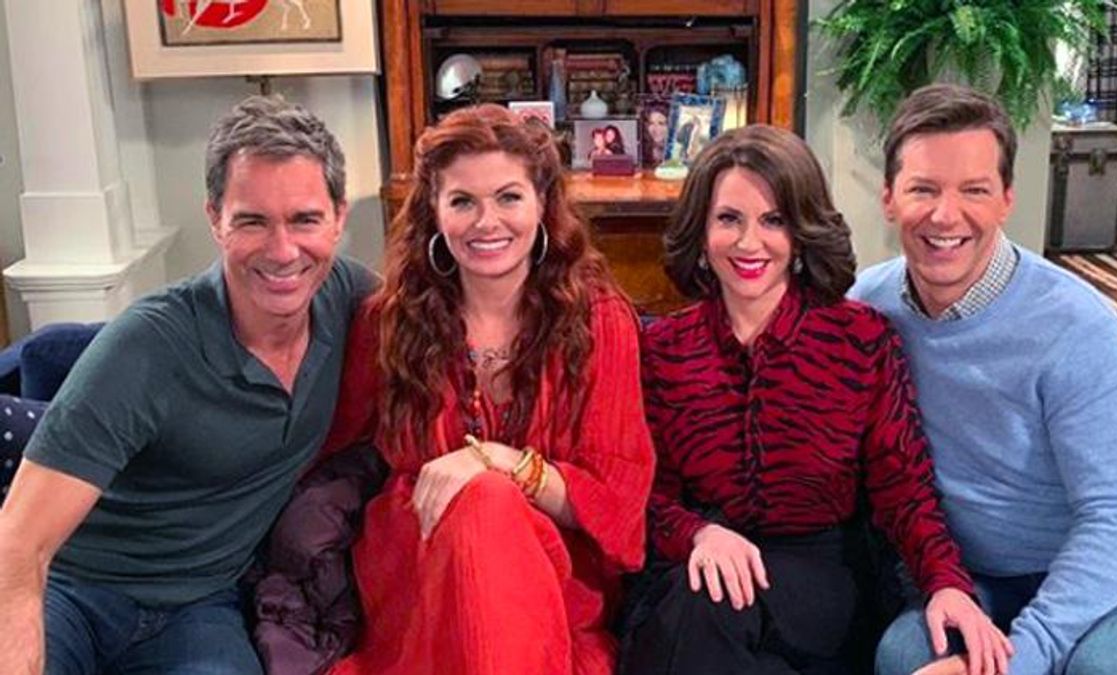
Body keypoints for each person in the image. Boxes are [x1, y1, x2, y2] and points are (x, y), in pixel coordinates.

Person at [0, 95, 376, 674]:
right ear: (215, 219)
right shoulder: (145, 346)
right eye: (252, 221)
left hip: (200, 608)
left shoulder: (350, 299)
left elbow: (455, 335)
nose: (283, 251)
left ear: (338, 218)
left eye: (305, 219)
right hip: (73, 589)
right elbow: (20, 544)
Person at [621, 125, 1008, 675]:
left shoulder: (861, 339)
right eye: (729, 219)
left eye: (773, 220)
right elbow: (643, 494)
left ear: (801, 232)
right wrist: (699, 533)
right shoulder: (663, 349)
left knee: (696, 611)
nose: (749, 243)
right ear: (701, 232)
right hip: (701, 558)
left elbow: (903, 488)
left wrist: (946, 583)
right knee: (699, 601)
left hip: (820, 576)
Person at [852, 83, 1117, 675]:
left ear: (1006, 200)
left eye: (974, 190)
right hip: (980, 576)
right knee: (904, 656)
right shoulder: (868, 307)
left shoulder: (1076, 326)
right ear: (889, 198)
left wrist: (1021, 657)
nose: (945, 215)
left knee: (1105, 670)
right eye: (923, 189)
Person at [312, 103, 655, 674]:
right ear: (434, 211)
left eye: (508, 197)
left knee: (490, 500)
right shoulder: (387, 320)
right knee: (484, 506)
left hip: (553, 578)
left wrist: (497, 462)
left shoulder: (599, 321)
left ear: (542, 203)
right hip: (420, 570)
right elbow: (328, 443)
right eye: (462, 201)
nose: (486, 222)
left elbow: (617, 508)